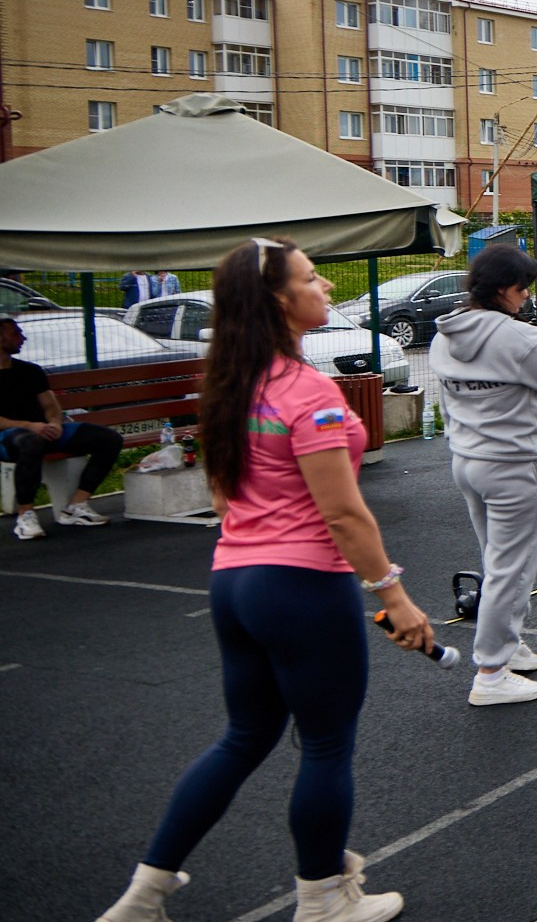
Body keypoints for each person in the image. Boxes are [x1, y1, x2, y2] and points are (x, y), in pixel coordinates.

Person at [96, 237, 433, 922]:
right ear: (282, 300)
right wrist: (393, 594)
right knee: (328, 741)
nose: (328, 289)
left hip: (236, 581)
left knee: (244, 737)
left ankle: (144, 895)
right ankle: (322, 900)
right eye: (314, 279)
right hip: (303, 584)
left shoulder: (230, 383)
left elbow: (225, 499)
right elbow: (342, 511)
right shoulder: (306, 390)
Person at [433, 244, 537, 706]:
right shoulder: (518, 337)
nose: (527, 297)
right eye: (523, 288)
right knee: (511, 567)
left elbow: (450, 402)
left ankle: (508, 645)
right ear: (504, 289)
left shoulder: (444, 334)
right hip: (511, 465)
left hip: (466, 460)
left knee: (499, 561)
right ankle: (490, 669)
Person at [2, 315, 123, 539]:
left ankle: (76, 506)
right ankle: (25, 516)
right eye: (15, 333)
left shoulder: (30, 371)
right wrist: (31, 426)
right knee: (30, 442)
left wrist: (55, 423)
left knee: (109, 439)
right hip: (9, 436)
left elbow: (50, 405)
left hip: (44, 430)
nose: (22, 337)